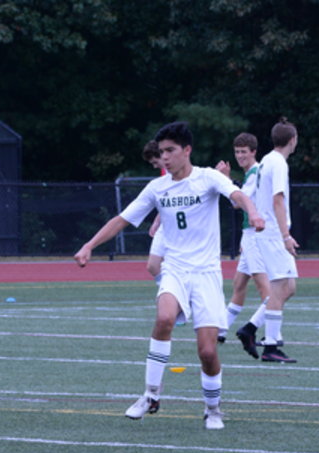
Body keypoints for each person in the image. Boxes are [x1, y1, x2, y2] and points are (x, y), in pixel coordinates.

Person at [74, 121, 265, 429]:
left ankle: (213, 409)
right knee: (164, 319)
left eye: (170, 151)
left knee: (207, 351)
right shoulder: (157, 188)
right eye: (161, 151)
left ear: (186, 150)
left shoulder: (208, 177)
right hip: (174, 269)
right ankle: (151, 395)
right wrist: (89, 245)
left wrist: (252, 212)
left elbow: (238, 195)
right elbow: (122, 219)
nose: (164, 157)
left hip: (206, 274)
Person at [237, 117, 299, 363]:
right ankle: (271, 345)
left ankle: (250, 328)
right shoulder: (278, 163)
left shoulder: (266, 160)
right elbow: (277, 200)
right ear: (292, 140)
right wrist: (285, 235)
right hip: (273, 233)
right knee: (280, 287)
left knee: (288, 288)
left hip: (268, 232)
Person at [215, 132, 271, 356]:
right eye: (237, 152)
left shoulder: (256, 173)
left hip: (256, 236)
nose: (240, 156)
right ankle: (220, 331)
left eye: (244, 152)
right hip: (249, 235)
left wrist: (226, 179)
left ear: (254, 152)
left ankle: (268, 333)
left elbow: (237, 203)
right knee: (239, 285)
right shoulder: (250, 174)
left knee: (266, 291)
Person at [142, 140, 166, 282]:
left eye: (155, 162)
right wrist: (157, 221)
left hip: (179, 227)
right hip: (166, 223)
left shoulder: (181, 173)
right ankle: (168, 290)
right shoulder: (165, 173)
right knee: (153, 266)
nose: (155, 166)